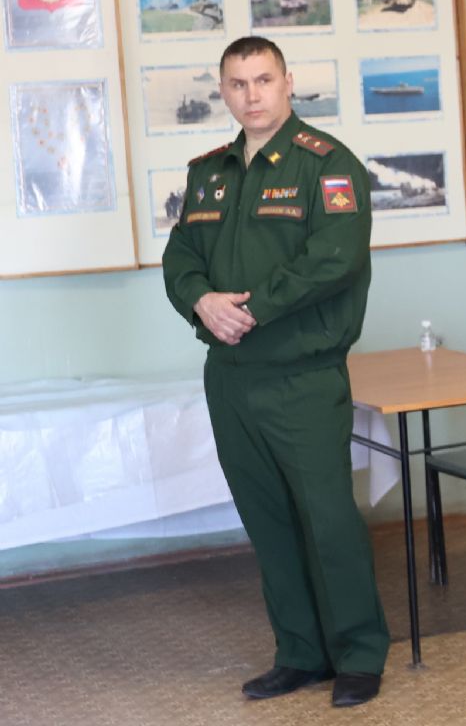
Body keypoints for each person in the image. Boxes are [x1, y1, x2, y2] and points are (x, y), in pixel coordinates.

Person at [162, 35, 388, 708]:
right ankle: (300, 653)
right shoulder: (210, 172)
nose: (251, 95)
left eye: (263, 80)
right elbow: (180, 257)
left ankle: (359, 654)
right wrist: (202, 302)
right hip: (231, 376)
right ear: (223, 92)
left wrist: (252, 309)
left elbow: (335, 258)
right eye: (238, 83)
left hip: (301, 377)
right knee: (268, 521)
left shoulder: (327, 165)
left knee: (327, 519)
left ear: (288, 83)